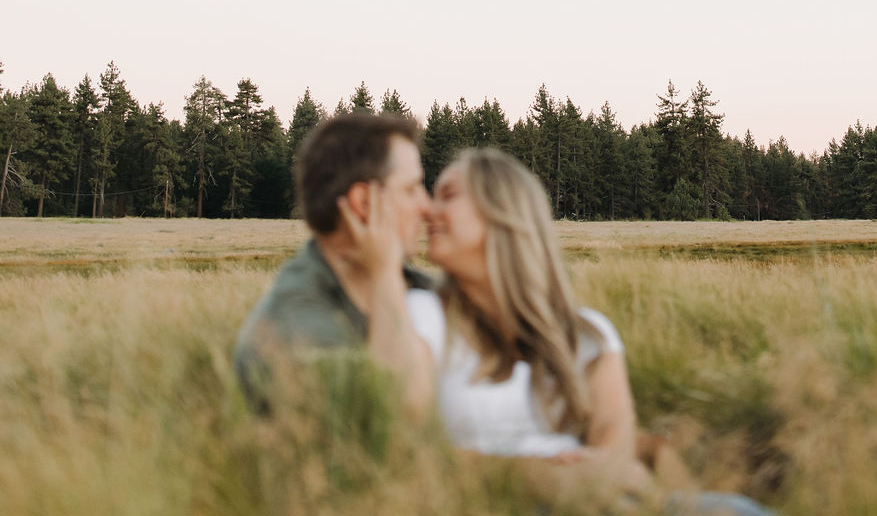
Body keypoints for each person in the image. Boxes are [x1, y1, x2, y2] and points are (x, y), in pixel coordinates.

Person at [347, 145, 776, 513]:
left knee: (735, 510)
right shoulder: (423, 315)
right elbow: (397, 439)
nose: (427, 210)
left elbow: (614, 449)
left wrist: (594, 480)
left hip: (601, 507)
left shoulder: (588, 335)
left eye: (449, 195)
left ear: (501, 213)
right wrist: (383, 271)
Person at [233, 111, 435, 412]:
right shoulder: (291, 332)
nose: (427, 207)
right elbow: (402, 412)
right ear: (364, 203)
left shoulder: (421, 285)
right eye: (411, 189)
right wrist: (384, 274)